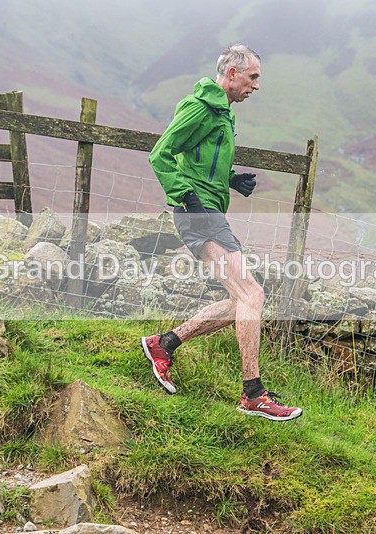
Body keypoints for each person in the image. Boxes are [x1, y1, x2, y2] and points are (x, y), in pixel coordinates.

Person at [141, 44, 302, 422]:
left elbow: (200, 157)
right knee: (253, 293)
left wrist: (230, 179)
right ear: (232, 74)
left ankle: (163, 345)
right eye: (253, 77)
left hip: (208, 209)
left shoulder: (222, 112)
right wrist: (186, 196)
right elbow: (161, 154)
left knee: (241, 301)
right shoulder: (199, 107)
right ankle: (253, 394)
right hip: (197, 212)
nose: (256, 86)